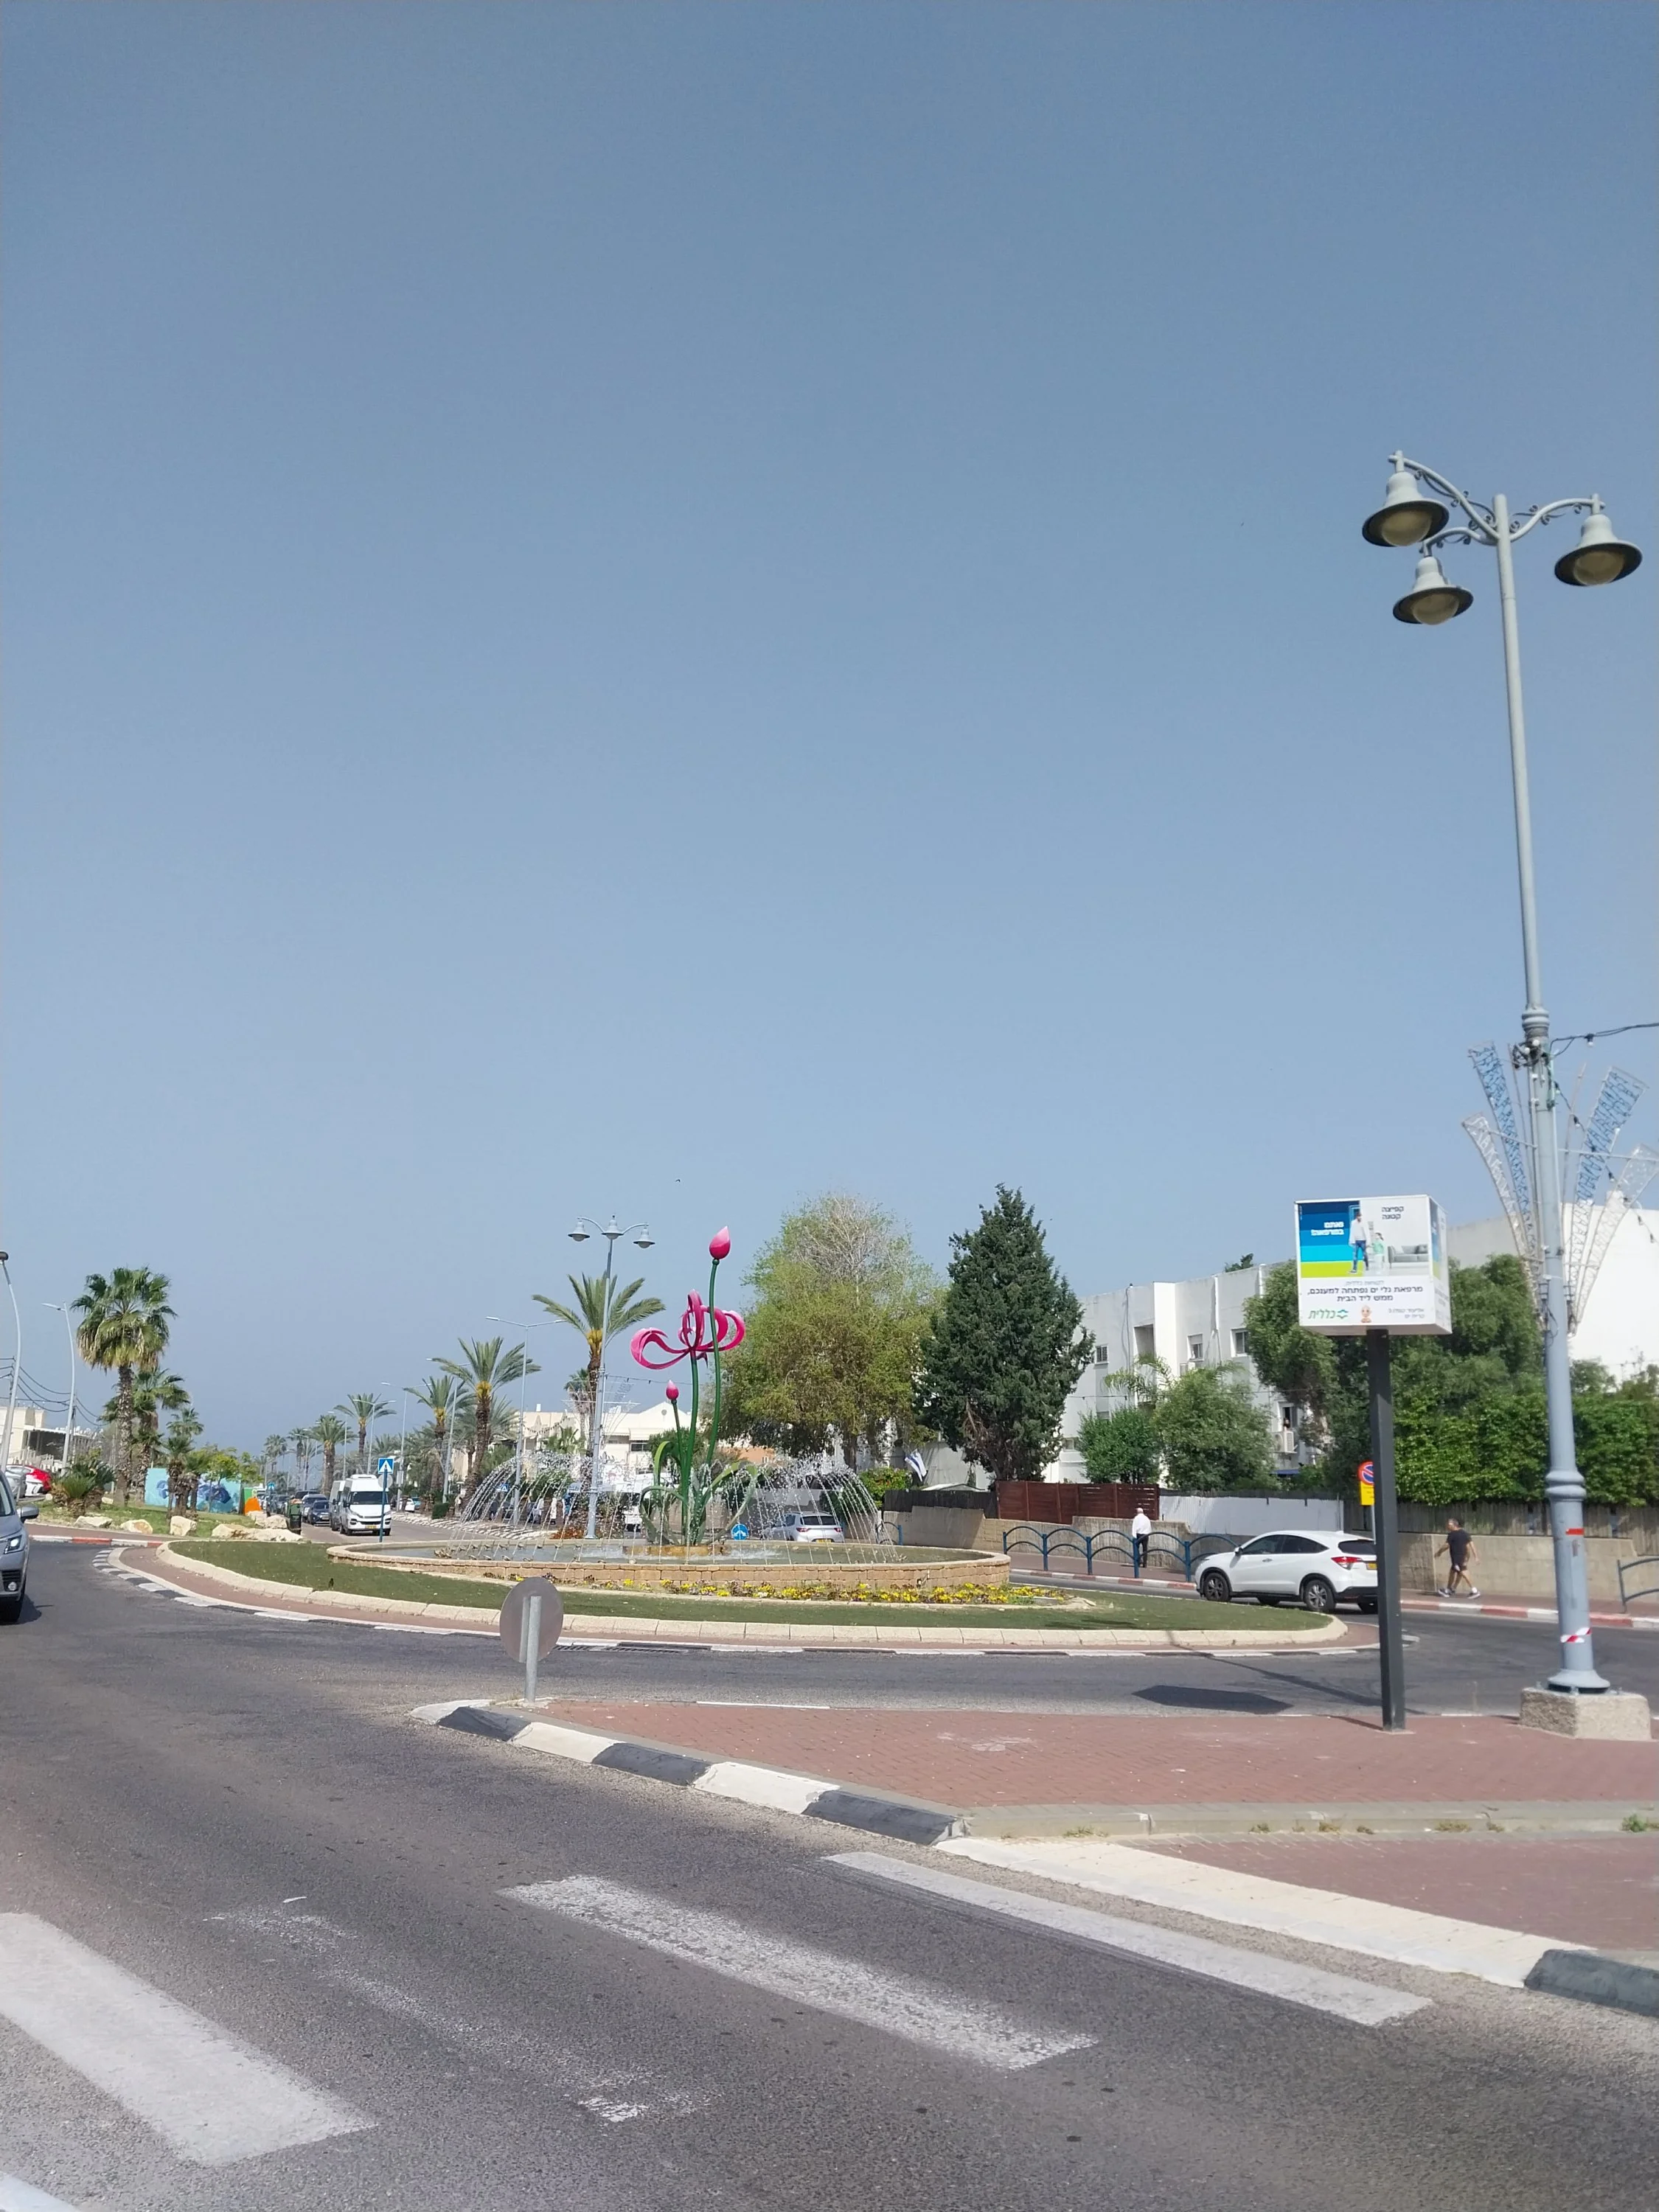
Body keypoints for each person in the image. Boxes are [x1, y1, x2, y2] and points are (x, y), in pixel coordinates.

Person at [1436, 1517, 1481, 1599]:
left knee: (1463, 1572)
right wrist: (1474, 1557)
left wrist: (1439, 1552)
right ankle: (1450, 1589)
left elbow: (1446, 1545)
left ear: (1453, 1525)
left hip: (1457, 1558)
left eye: (1448, 1524)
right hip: (1461, 1557)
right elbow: (1470, 1545)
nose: (1447, 1526)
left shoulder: (1452, 1534)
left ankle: (1474, 1591)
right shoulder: (1465, 1533)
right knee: (1453, 1572)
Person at [1130, 1504, 1152, 1573]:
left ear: (1138, 1512)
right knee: (1145, 1549)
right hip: (1146, 1535)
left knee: (1136, 1548)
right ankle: (1145, 1563)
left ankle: (1139, 1561)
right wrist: (1148, 1533)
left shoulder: (1136, 1518)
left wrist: (1134, 1536)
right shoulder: (1147, 1518)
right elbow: (1149, 1527)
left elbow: (1134, 1527)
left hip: (1139, 1535)